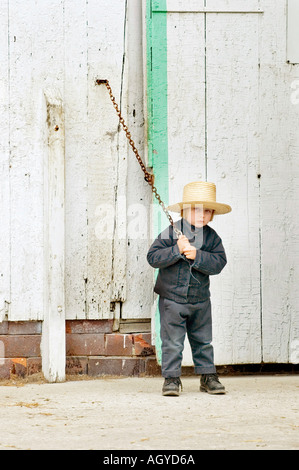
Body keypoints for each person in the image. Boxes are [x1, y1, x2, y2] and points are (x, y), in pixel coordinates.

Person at [147, 181, 232, 396]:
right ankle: (172, 379)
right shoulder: (171, 233)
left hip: (200, 300)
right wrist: (176, 250)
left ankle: (207, 376)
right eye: (196, 209)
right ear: (184, 211)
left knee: (203, 340)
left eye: (208, 211)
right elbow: (153, 258)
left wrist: (198, 255)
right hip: (172, 300)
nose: (202, 215)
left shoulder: (212, 238)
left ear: (213, 214)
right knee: (173, 341)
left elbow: (219, 263)